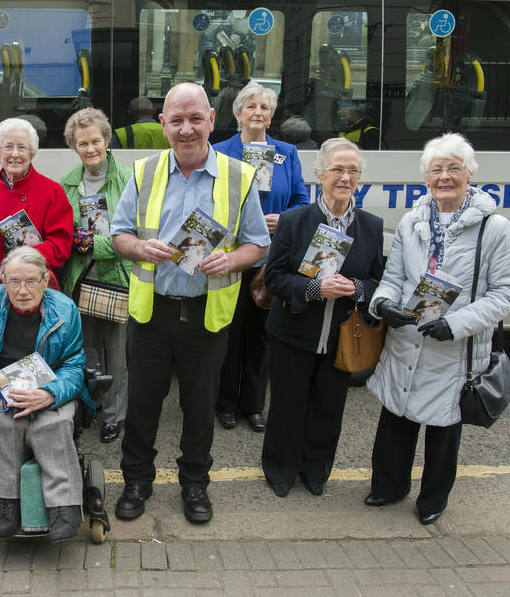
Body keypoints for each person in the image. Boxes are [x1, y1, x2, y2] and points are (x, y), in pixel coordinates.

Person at [110, 82, 270, 523]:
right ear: (162, 124)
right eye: (176, 120)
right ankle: (137, 481)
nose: (186, 129)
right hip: (152, 312)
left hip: (206, 316)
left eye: (195, 119)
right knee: (142, 405)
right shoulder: (143, 172)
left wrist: (231, 259)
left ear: (212, 121)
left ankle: (195, 484)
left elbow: (258, 244)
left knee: (199, 409)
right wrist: (142, 249)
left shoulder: (239, 176)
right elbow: (119, 234)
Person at [365, 133, 510, 525]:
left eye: (454, 168)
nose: (444, 177)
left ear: (469, 174)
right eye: (437, 170)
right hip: (408, 339)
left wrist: (454, 324)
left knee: (443, 428)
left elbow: (504, 294)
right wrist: (383, 304)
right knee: (397, 418)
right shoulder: (411, 221)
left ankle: (432, 498)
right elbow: (393, 276)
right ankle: (388, 486)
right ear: (426, 177)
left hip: (454, 348)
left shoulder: (494, 228)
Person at [0, 247, 92, 543]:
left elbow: (75, 363)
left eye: (31, 282)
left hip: (50, 385)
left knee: (53, 423)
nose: (22, 291)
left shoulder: (64, 309)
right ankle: (5, 499)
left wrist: (50, 394)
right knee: (4, 424)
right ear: (4, 281)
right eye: (14, 283)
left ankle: (64, 505)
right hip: (1, 387)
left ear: (45, 280)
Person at [261, 137, 384, 498]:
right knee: (287, 405)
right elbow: (274, 277)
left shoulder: (371, 227)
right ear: (319, 175)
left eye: (352, 171)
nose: (345, 178)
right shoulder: (295, 220)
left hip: (342, 337)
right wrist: (316, 289)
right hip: (293, 331)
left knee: (328, 407)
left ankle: (316, 469)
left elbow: (378, 281)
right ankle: (280, 468)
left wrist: (356, 289)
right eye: (337, 170)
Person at [213, 81, 309, 433]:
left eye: (264, 108)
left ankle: (253, 405)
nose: (258, 113)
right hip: (232, 254)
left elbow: (300, 200)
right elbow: (210, 198)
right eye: (251, 106)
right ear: (238, 114)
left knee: (263, 335)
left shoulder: (286, 152)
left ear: (271, 116)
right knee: (229, 333)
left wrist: (283, 219)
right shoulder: (220, 151)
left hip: (271, 258)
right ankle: (224, 403)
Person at [58, 107, 132, 443]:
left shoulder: (128, 179)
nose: (90, 149)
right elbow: (61, 230)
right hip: (81, 278)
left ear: (106, 140)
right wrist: (72, 238)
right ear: (74, 147)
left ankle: (115, 416)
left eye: (95, 141)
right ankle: (89, 406)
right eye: (82, 143)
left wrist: (97, 244)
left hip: (117, 277)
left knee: (117, 354)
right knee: (86, 350)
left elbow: (136, 235)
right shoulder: (67, 183)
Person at [0, 117, 73, 274]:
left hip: (34, 282)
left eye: (22, 147)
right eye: (8, 147)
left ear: (32, 154)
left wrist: (22, 256)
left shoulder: (53, 191)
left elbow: (60, 246)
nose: (15, 154)